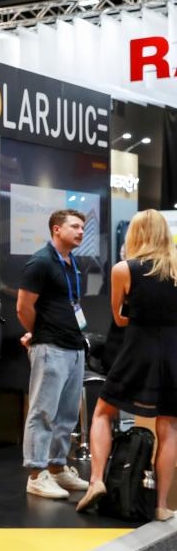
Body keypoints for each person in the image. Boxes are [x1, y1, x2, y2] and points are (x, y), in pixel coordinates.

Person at [76, 209, 177, 520]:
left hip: (137, 349)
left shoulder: (124, 269)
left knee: (104, 412)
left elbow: (119, 317)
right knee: (169, 426)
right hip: (173, 352)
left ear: (135, 234)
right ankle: (161, 505)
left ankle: (95, 481)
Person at [16, 209, 90, 499]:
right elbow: (23, 307)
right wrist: (40, 333)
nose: (81, 231)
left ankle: (58, 468)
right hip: (51, 347)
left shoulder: (72, 262)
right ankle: (36, 474)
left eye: (83, 227)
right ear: (56, 230)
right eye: (75, 226)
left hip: (74, 346)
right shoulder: (41, 262)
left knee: (68, 414)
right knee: (43, 412)